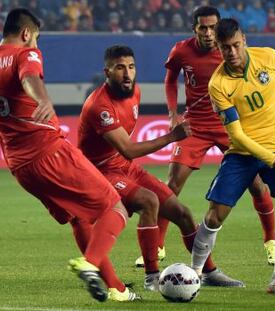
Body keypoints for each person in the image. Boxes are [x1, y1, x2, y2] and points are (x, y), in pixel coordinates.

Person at [78, 44, 244, 291]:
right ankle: (152, 278)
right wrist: (171, 137)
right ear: (107, 72)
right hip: (99, 173)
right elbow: (129, 149)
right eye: (120, 68)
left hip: (125, 167)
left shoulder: (134, 93)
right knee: (149, 202)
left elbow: (126, 156)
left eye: (131, 67)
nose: (127, 74)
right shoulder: (99, 107)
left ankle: (209, 271)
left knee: (183, 213)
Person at [0, 8, 135, 302]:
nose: (36, 43)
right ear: (26, 33)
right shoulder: (26, 53)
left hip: (20, 167)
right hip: (49, 152)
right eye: (35, 37)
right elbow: (29, 77)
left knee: (78, 218)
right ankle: (90, 263)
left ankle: (116, 289)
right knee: (116, 207)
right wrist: (44, 98)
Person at [134, 5, 275, 268]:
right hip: (195, 127)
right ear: (194, 28)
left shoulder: (231, 51)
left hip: (229, 125)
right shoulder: (181, 51)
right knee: (172, 185)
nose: (209, 33)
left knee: (256, 185)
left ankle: (271, 241)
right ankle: (157, 246)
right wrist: (172, 112)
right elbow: (170, 80)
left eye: (213, 27)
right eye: (203, 27)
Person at [190, 18, 275, 295]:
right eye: (224, 48)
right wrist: (273, 160)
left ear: (245, 40)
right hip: (244, 152)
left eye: (235, 45)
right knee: (216, 216)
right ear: (217, 48)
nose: (231, 53)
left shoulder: (270, 58)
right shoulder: (218, 84)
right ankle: (194, 274)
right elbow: (238, 136)